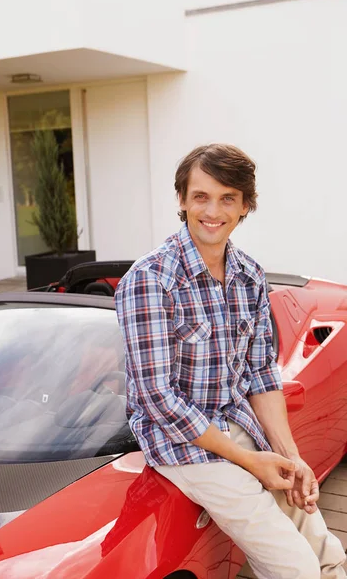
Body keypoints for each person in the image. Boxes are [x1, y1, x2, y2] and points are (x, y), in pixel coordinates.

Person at [114, 144, 346, 579]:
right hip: (182, 446)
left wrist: (290, 457)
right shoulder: (150, 280)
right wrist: (249, 462)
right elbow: (160, 398)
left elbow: (260, 374)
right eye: (201, 196)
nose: (212, 211)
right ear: (182, 200)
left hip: (239, 425)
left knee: (326, 550)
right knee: (295, 568)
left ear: (245, 206)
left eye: (227, 198)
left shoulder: (249, 275)